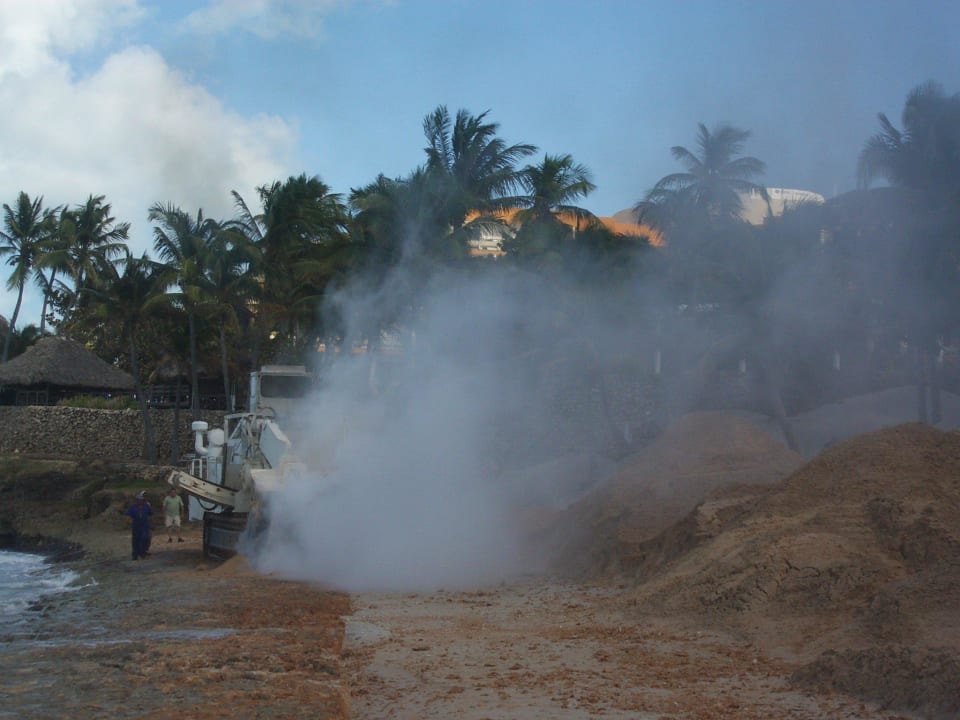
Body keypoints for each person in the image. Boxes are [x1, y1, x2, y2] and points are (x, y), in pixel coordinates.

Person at [125, 491, 153, 560]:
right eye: (138, 500)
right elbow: (128, 516)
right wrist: (128, 521)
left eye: (141, 500)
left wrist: (152, 524)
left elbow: (151, 515)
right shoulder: (133, 507)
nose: (140, 501)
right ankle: (135, 555)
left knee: (145, 538)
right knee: (135, 540)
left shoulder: (147, 506)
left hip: (145, 526)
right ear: (136, 500)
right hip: (136, 526)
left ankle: (142, 552)